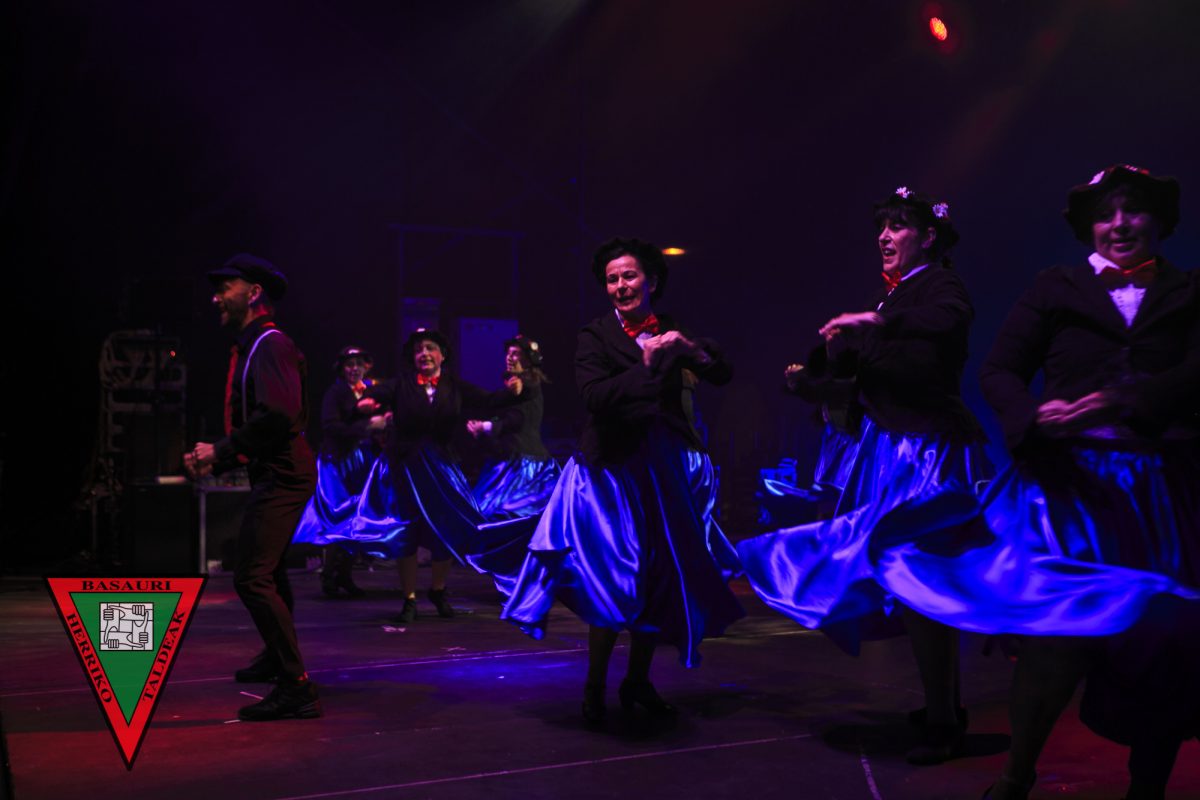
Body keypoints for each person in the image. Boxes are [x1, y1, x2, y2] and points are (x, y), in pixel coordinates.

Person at [869, 165, 1200, 800]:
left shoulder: (1188, 292)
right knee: (1054, 639)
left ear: (1159, 222)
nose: (1119, 224)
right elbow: (1000, 371)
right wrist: (1033, 417)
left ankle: (1147, 788)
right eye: (1105, 214)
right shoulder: (1057, 287)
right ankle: (1015, 777)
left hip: (1157, 494)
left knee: (1161, 642)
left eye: (1133, 211)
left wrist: (1128, 402)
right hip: (1069, 492)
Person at [737, 188, 990, 764]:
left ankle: (944, 719)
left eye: (898, 226)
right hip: (892, 451)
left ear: (928, 236)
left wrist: (874, 320)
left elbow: (949, 319)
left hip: (926, 452)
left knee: (921, 581)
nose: (884, 236)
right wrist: (813, 378)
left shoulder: (939, 287)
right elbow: (866, 386)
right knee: (906, 580)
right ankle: (942, 710)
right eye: (882, 226)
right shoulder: (895, 297)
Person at [500, 237, 744, 724]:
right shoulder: (594, 336)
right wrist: (648, 365)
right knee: (614, 580)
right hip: (610, 473)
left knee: (657, 578)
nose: (620, 286)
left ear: (651, 281)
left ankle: (637, 681)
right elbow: (595, 396)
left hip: (661, 472)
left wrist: (689, 350)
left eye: (629, 276)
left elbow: (723, 372)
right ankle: (594, 688)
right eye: (611, 279)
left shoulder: (670, 329)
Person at [184, 253, 320, 721]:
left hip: (285, 473)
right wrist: (221, 456)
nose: (216, 297)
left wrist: (219, 451)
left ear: (254, 292)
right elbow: (261, 420)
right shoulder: (255, 345)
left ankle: (297, 686)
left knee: (252, 575)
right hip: (275, 469)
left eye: (226, 287)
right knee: (271, 570)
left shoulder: (271, 343)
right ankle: (277, 659)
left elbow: (278, 414)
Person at [345, 329, 521, 622]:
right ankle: (409, 599)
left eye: (430, 348)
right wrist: (367, 401)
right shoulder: (402, 384)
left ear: (442, 354)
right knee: (406, 531)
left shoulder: (453, 385)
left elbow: (488, 400)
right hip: (407, 466)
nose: (424, 354)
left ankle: (438, 590)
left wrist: (513, 391)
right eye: (418, 350)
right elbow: (378, 392)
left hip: (441, 465)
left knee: (446, 528)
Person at [292, 346, 387, 597]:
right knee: (339, 516)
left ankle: (344, 574)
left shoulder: (369, 392)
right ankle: (329, 576)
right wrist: (367, 426)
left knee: (358, 518)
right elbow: (331, 427)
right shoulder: (335, 393)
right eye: (349, 364)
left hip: (361, 461)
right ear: (342, 368)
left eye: (358, 364)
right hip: (338, 462)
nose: (354, 369)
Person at [468, 335, 561, 521]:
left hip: (524, 465)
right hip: (509, 460)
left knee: (498, 512)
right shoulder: (514, 388)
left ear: (528, 360)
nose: (509, 358)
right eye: (508, 353)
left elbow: (516, 419)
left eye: (516, 354)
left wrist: (485, 426)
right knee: (484, 511)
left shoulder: (529, 384)